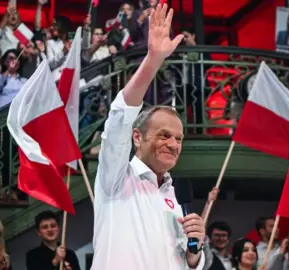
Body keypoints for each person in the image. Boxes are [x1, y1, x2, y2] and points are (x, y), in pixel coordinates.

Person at [91, 4, 206, 270]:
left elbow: (180, 262)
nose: (173, 144)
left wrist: (195, 254)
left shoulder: (177, 197)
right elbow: (120, 116)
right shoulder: (116, 177)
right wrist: (153, 61)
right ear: (136, 137)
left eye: (179, 139)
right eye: (164, 135)